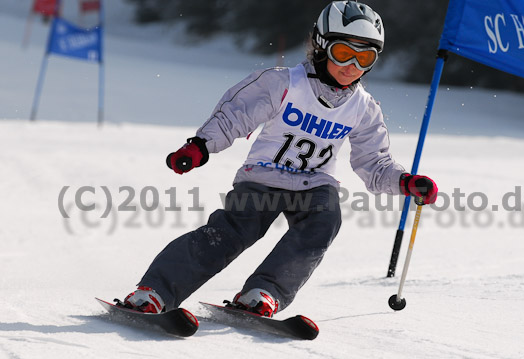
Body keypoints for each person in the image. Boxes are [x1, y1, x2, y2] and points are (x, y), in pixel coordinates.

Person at [122, 1, 438, 317]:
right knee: (235, 231)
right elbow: (235, 115)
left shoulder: (364, 108)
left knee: (324, 221)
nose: (352, 65)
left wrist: (405, 181)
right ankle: (155, 292)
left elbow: (374, 161)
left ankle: (264, 292)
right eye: (344, 53)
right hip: (263, 176)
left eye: (365, 57)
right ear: (322, 46)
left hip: (315, 184)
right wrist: (200, 146)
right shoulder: (284, 83)